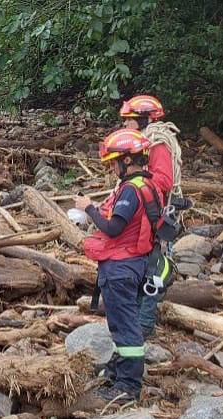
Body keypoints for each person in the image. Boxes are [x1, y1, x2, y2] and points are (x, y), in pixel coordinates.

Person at [76, 129, 163, 403]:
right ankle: (117, 371)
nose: (112, 167)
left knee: (126, 327)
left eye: (115, 161)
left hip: (121, 268)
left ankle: (127, 386)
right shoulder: (150, 186)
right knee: (123, 324)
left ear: (127, 160)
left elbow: (114, 228)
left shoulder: (130, 190)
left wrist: (89, 208)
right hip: (137, 263)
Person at [120, 94, 182, 337]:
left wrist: (134, 178)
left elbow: (164, 181)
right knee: (143, 264)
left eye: (129, 121)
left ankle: (144, 324)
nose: (125, 126)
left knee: (155, 268)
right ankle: (138, 318)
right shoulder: (147, 141)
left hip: (159, 214)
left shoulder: (157, 144)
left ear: (143, 120)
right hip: (149, 211)